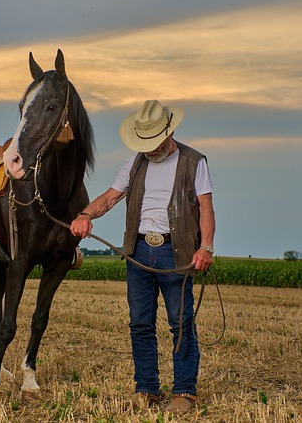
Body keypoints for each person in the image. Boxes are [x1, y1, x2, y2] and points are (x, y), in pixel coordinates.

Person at [70, 100, 215, 413]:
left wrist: (206, 247)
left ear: (170, 131)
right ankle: (147, 388)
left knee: (181, 323)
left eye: (153, 142)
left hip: (175, 252)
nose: (149, 149)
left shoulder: (193, 161)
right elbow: (110, 197)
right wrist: (85, 214)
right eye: (144, 143)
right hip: (138, 250)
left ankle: (185, 393)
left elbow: (205, 207)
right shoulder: (135, 162)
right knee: (140, 324)